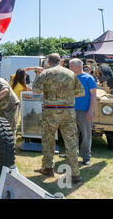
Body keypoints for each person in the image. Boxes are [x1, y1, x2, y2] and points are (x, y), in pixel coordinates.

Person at [32, 53, 84, 183]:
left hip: (50, 111)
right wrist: (66, 97)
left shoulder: (45, 73)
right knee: (71, 141)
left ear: (48, 62)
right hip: (68, 111)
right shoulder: (71, 74)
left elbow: (35, 91)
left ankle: (48, 168)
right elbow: (81, 92)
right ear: (60, 62)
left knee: (48, 139)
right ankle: (75, 174)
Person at [69, 58, 97, 166]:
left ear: (79, 66)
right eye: (70, 66)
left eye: (72, 66)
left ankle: (86, 157)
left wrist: (90, 111)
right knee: (72, 134)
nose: (70, 68)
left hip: (84, 111)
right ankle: (73, 155)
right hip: (70, 110)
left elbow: (93, 95)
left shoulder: (88, 78)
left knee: (86, 135)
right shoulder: (70, 78)